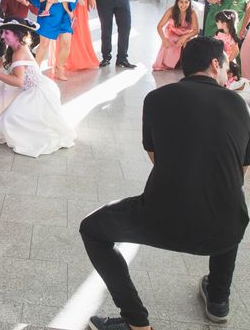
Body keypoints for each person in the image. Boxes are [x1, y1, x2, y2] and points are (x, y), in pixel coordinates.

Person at [80, 36, 250, 330]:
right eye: (225, 65)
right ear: (214, 64)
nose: (226, 71)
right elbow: (242, 169)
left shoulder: (156, 98)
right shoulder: (238, 104)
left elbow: (155, 156)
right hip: (226, 230)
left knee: (92, 229)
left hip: (164, 219)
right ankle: (218, 299)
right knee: (227, 201)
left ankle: (137, 322)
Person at [0, 17, 75, 158]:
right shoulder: (12, 50)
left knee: (8, 119)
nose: (2, 36)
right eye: (3, 32)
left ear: (17, 35)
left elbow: (18, 81)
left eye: (6, 33)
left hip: (38, 92)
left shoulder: (19, 53)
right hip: (28, 89)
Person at [30, 0, 75, 80]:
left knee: (66, 42)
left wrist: (70, 9)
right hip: (47, 16)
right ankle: (35, 72)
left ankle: (59, 68)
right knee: (44, 44)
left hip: (63, 14)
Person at [152, 0, 199, 71]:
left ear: (189, 3)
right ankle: (171, 63)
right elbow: (159, 26)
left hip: (188, 33)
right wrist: (164, 40)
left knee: (186, 43)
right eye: (181, 2)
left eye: (186, 2)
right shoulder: (171, 10)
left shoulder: (192, 13)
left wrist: (184, 37)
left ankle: (185, 63)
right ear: (177, 2)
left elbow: (196, 30)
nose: (183, 5)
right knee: (170, 41)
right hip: (173, 32)